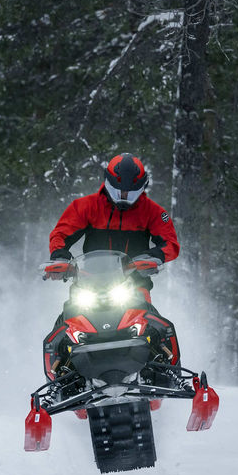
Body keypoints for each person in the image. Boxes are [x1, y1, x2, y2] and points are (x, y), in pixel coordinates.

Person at [42, 153, 182, 384]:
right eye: (120, 191)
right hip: (89, 283)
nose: (125, 197)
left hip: (133, 284)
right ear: (108, 183)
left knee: (157, 324)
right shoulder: (85, 206)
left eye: (131, 192)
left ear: (142, 186)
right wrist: (60, 256)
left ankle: (168, 371)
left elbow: (171, 243)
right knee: (63, 325)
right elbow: (61, 233)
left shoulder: (153, 212)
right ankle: (60, 378)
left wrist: (155, 256)